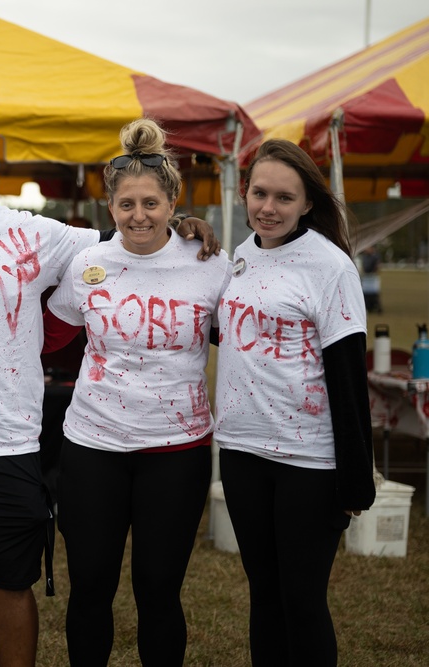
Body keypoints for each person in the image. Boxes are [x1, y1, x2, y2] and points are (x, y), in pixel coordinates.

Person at [0, 118, 219, 666]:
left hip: (4, 444)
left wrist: (183, 226)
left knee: (9, 582)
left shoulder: (39, 233)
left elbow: (132, 236)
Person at [42, 119, 230, 666]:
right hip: (92, 448)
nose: (139, 216)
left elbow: (243, 335)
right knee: (91, 589)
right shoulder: (88, 265)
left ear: (173, 203)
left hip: (177, 450)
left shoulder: (209, 263)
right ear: (110, 207)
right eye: (126, 205)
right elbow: (50, 337)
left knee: (158, 592)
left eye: (151, 203)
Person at [214, 139, 375, 666]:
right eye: (259, 193)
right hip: (241, 451)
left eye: (284, 197)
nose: (269, 207)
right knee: (264, 595)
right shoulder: (240, 256)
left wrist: (355, 476)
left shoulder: (331, 268)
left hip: (307, 458)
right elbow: (235, 336)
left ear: (308, 202)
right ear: (245, 193)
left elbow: (349, 375)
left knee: (301, 600)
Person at [360, 245, 382, 313]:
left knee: (374, 294)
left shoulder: (375, 257)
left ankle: (376, 307)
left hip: (372, 277)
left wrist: (374, 272)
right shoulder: (364, 257)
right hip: (366, 277)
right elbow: (363, 266)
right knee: (366, 294)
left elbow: (378, 266)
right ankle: (367, 307)